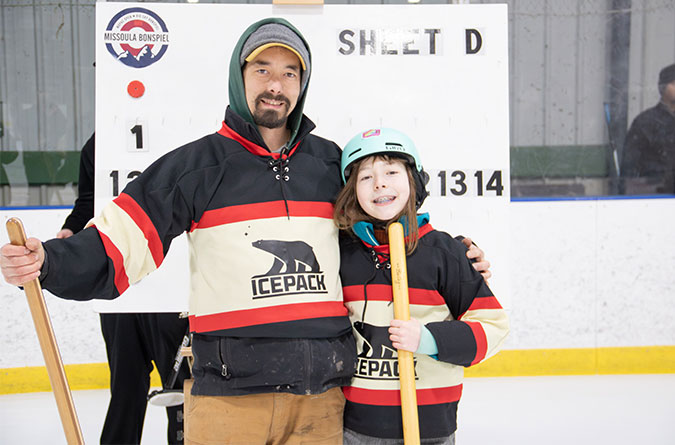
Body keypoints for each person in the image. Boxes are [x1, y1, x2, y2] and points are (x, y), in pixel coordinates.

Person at [1, 18, 492, 444]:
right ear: (239, 78)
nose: (275, 85)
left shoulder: (331, 166)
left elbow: (383, 234)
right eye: (262, 70)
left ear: (302, 84)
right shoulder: (195, 167)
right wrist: (49, 261)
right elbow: (121, 241)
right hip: (228, 400)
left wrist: (457, 255)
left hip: (319, 400)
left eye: (289, 72)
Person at [334, 129, 509, 444]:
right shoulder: (341, 253)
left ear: (413, 181)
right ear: (351, 191)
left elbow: (492, 327)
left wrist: (429, 339)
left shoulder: (445, 252)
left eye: (391, 171)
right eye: (365, 177)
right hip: (358, 426)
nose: (380, 183)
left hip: (430, 426)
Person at [56, 133, 190, 445]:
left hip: (173, 289)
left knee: (182, 393)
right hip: (120, 293)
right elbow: (91, 201)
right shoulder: (99, 140)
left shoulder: (183, 134)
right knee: (125, 390)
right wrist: (71, 230)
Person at [621, 63, 675, 194]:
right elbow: (630, 169)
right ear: (662, 88)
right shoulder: (645, 122)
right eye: (674, 83)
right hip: (655, 199)